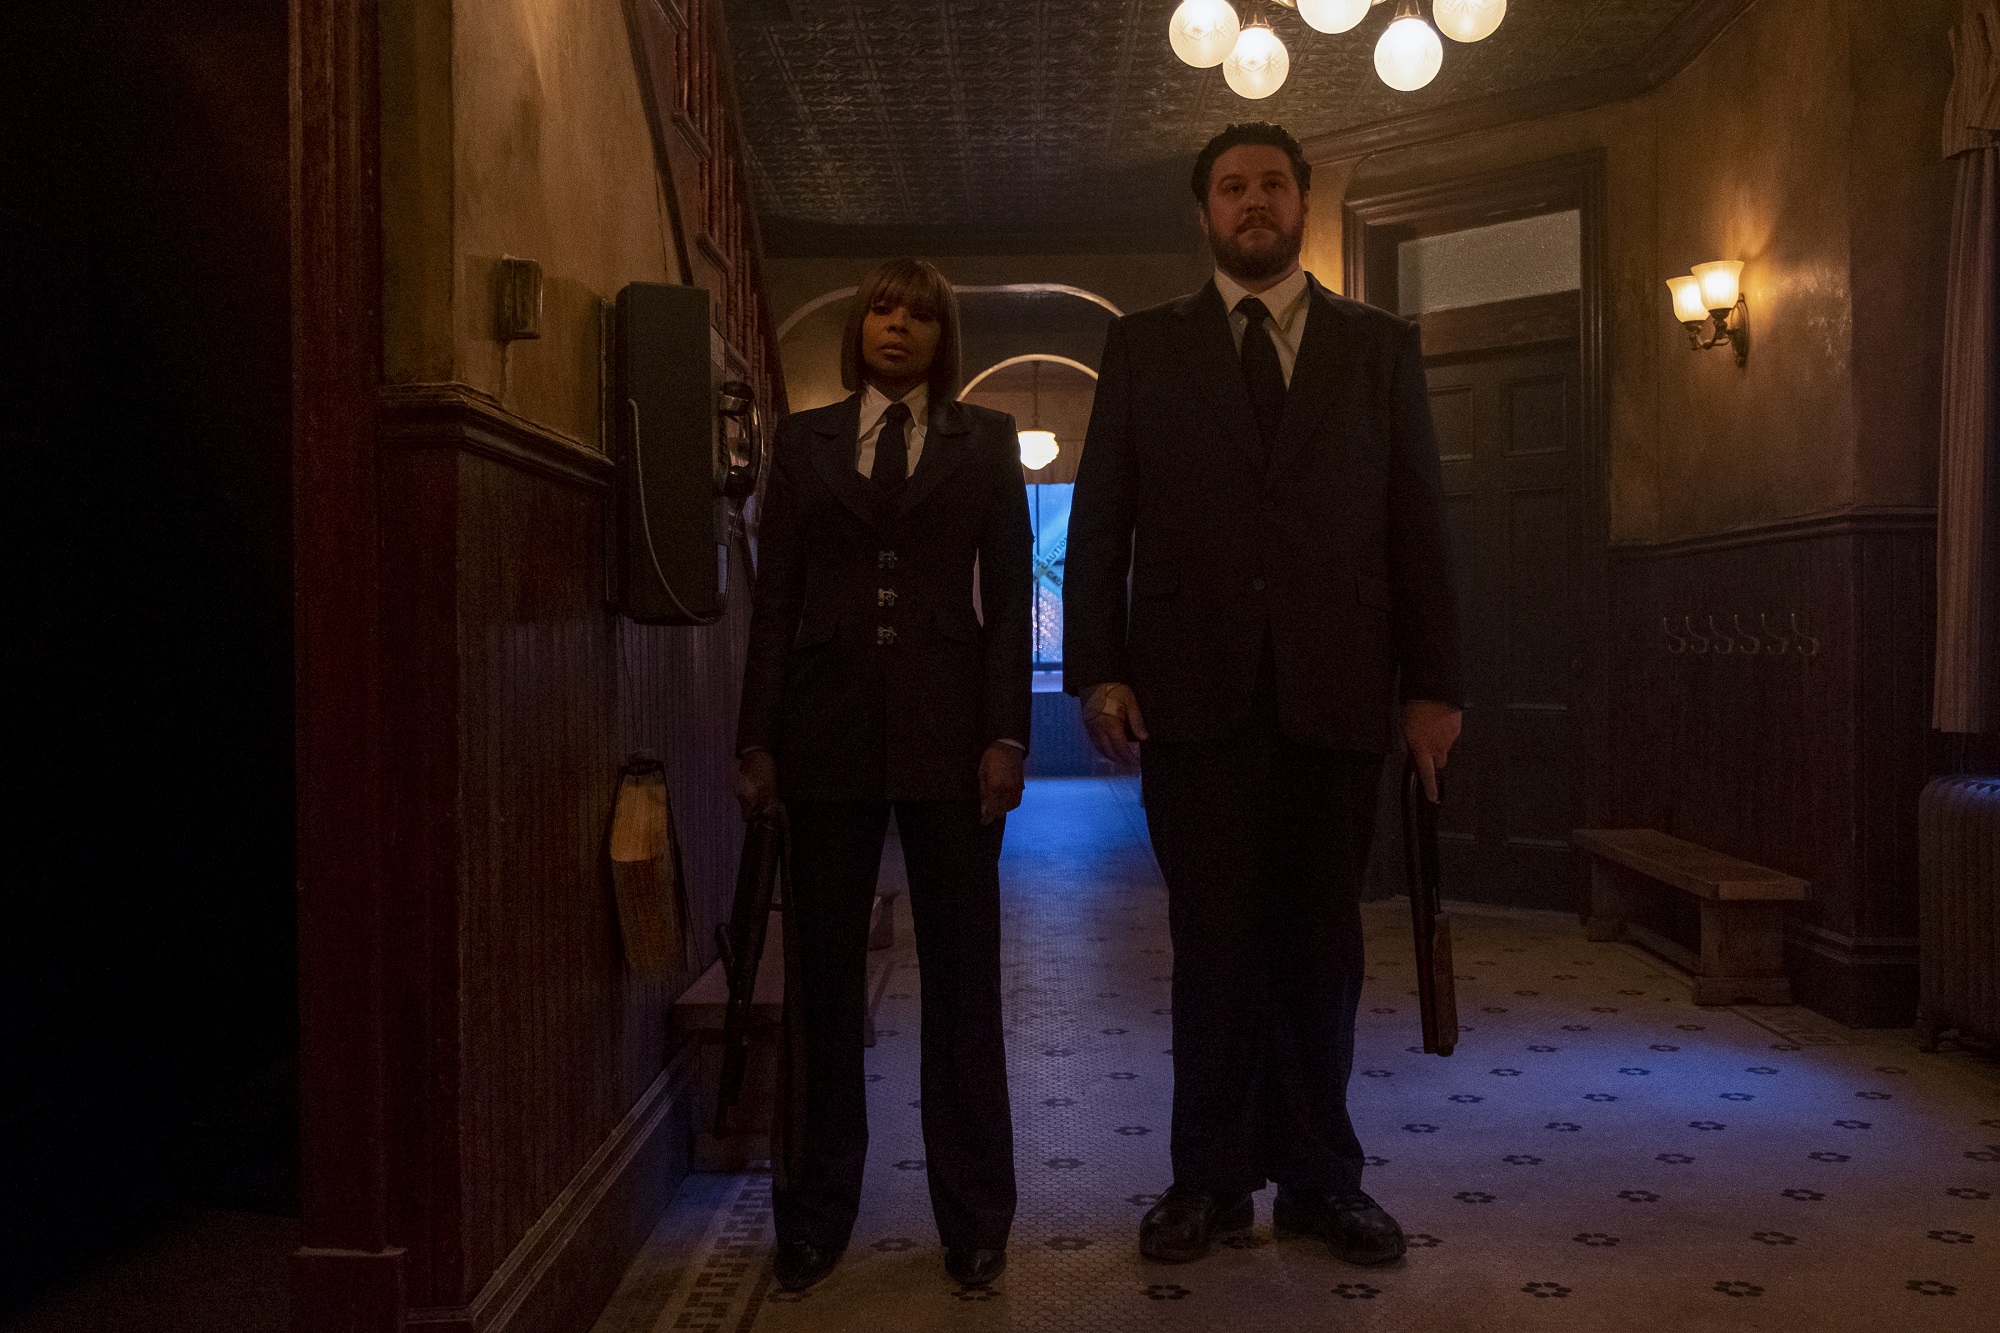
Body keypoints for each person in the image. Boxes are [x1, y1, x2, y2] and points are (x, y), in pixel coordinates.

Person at [1063, 122, 1464, 1269]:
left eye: (1272, 185)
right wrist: (1099, 667)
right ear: (1204, 211)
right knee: (1212, 947)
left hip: (1338, 692)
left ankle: (1320, 1181)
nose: (1252, 202)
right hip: (1191, 696)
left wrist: (1433, 685)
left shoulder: (1376, 347)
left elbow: (1418, 523)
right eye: (1231, 186)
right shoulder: (1142, 346)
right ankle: (1206, 1180)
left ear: (1300, 204)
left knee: (1322, 947)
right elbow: (1101, 517)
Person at [735, 258, 1032, 1293]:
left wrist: (1007, 735)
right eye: (881, 310)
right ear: (858, 327)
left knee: (963, 980)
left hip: (953, 735)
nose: (897, 326)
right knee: (821, 981)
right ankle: (814, 1212)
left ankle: (976, 1217)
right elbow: (774, 599)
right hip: (822, 734)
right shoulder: (802, 441)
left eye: (918, 315)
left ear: (943, 337)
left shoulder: (986, 440)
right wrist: (757, 737)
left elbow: (1008, 599)